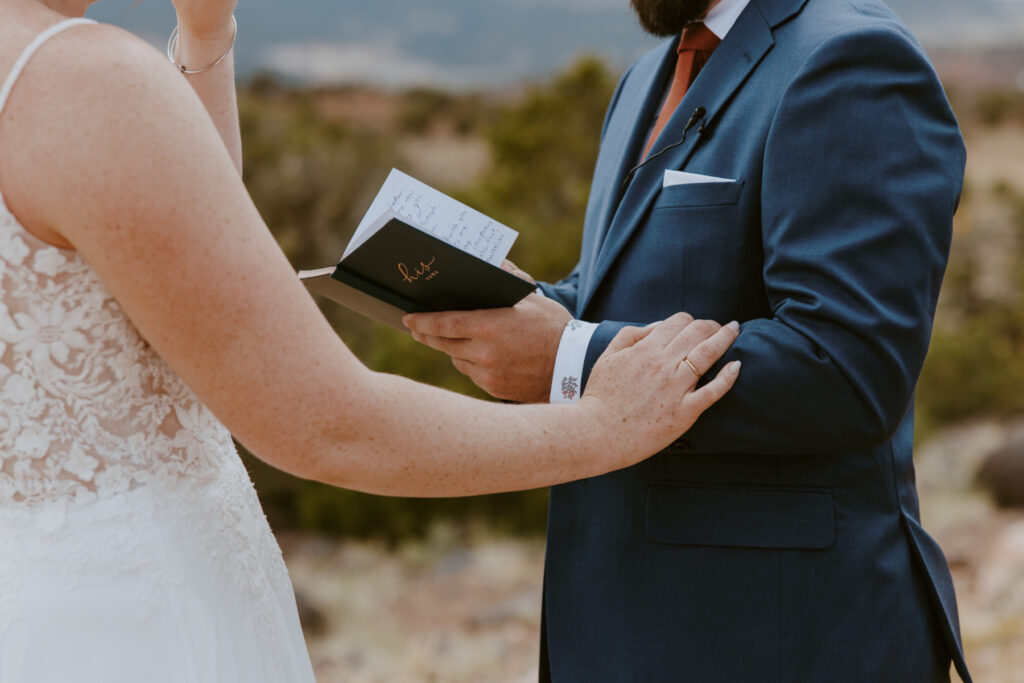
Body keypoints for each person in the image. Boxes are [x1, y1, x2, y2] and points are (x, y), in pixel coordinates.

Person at [0, 0, 744, 680]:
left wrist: (205, 38)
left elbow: (171, 265)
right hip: (136, 623)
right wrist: (603, 425)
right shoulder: (87, 81)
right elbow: (324, 423)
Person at [404, 0, 971, 680]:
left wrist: (570, 356)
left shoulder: (852, 61)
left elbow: (848, 366)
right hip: (618, 631)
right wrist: (524, 306)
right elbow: (617, 290)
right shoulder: (646, 76)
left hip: (781, 639)